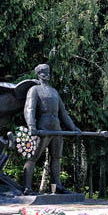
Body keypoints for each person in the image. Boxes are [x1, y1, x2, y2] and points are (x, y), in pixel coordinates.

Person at [23, 64, 81, 195]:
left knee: (56, 158)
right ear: (38, 74)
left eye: (48, 71)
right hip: (43, 128)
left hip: (57, 128)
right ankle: (27, 188)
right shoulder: (34, 90)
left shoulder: (54, 92)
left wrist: (73, 128)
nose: (46, 74)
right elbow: (29, 109)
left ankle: (57, 187)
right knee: (33, 157)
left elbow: (63, 113)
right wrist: (31, 126)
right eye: (43, 72)